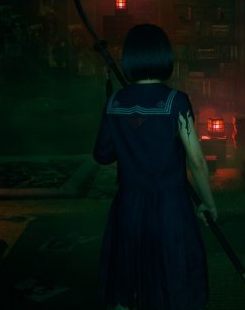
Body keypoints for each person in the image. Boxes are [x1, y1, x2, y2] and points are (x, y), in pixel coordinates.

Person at [93, 23, 218, 310]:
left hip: (128, 206)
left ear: (129, 58)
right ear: (165, 56)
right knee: (172, 275)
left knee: (128, 274)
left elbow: (102, 155)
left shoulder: (114, 102)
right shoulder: (176, 101)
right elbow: (197, 161)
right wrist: (209, 203)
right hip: (170, 207)